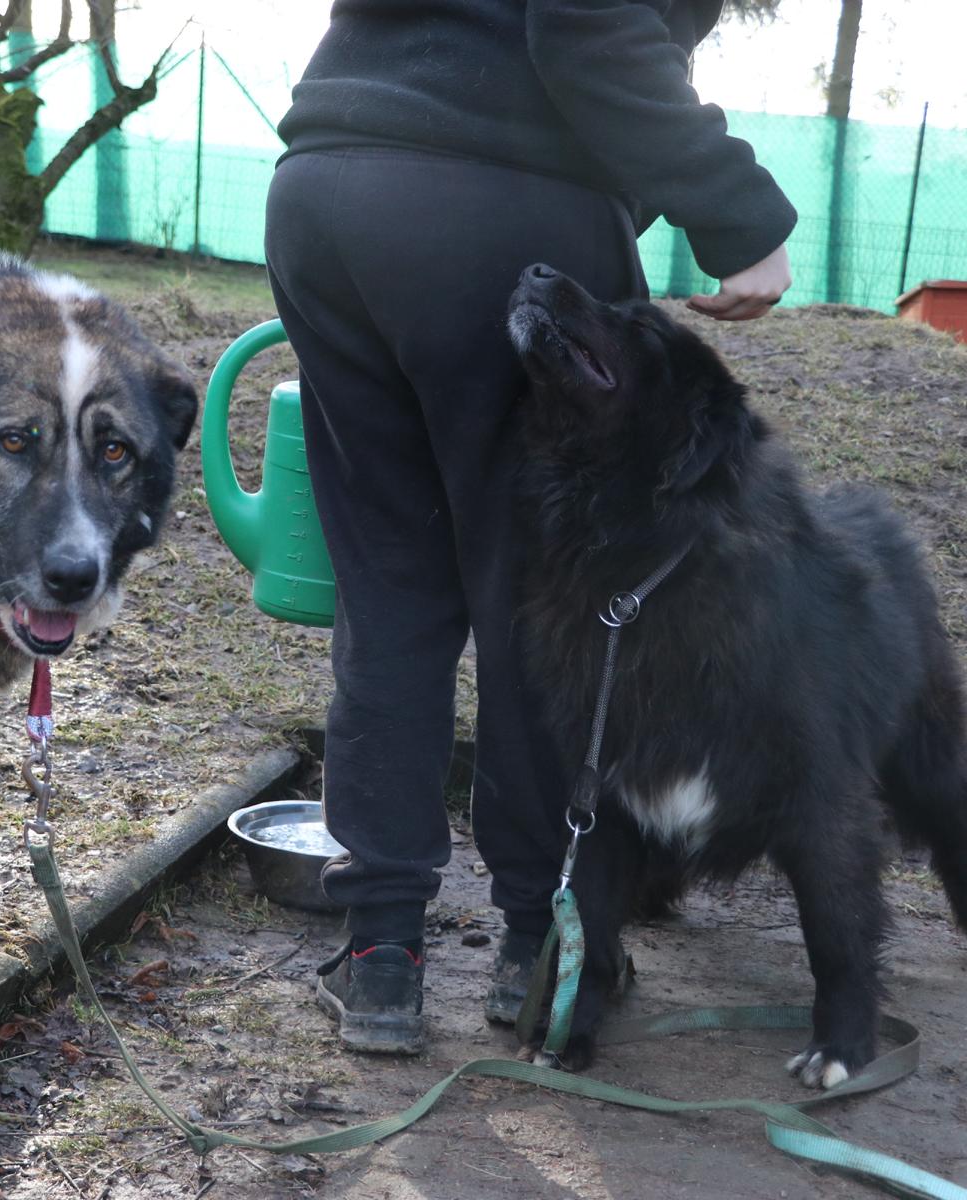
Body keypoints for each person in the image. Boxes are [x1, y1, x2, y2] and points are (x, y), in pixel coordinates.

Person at [265, 0, 795, 1054]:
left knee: (391, 590)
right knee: (539, 599)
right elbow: (582, 21)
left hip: (330, 190)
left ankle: (380, 956)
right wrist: (736, 210)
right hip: (490, 209)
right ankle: (537, 940)